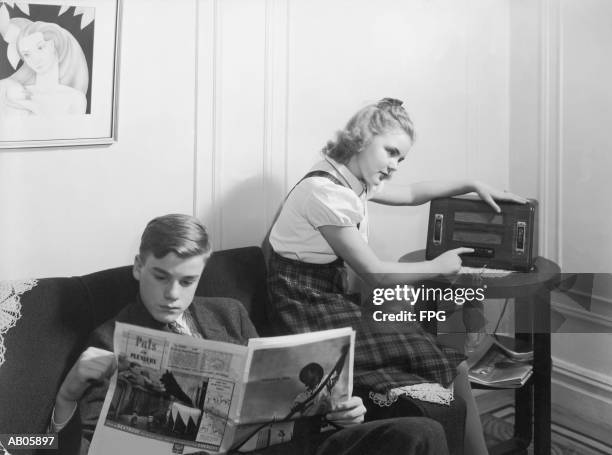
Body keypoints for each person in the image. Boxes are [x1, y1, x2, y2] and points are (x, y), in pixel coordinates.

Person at [51, 213, 450, 455]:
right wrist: (67, 396)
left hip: (290, 447)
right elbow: (85, 444)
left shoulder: (229, 314)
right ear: (139, 266)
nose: (173, 295)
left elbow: (276, 393)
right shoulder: (111, 340)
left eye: (187, 281)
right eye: (161, 277)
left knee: (420, 433)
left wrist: (335, 410)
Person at [266, 98, 528, 455]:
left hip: (328, 299)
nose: (394, 166)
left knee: (450, 359)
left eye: (400, 158)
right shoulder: (325, 192)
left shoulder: (349, 177)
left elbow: (411, 194)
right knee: (442, 356)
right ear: (361, 138)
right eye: (390, 152)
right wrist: (439, 266)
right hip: (304, 309)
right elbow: (376, 274)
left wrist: (471, 183)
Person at [0, 18, 88, 116]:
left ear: (52, 45)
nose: (35, 58)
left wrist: (30, 105)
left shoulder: (75, 99)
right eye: (27, 54)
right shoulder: (11, 92)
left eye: (40, 47)